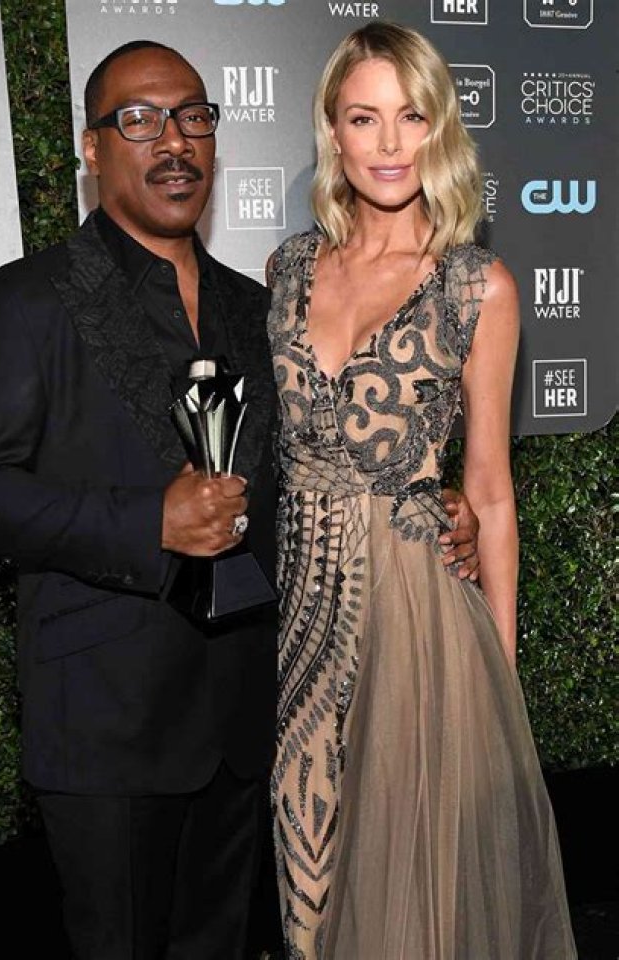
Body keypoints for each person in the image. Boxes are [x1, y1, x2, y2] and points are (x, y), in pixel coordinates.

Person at [0, 37, 480, 960]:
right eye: (139, 120)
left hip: (244, 719)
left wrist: (432, 503)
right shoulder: (23, 302)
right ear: (93, 147)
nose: (173, 141)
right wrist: (148, 522)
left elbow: (317, 461)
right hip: (106, 727)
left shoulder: (261, 304)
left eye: (192, 117)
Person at [267, 21, 576, 960]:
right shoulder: (287, 270)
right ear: (333, 130)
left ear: (440, 127)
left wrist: (500, 688)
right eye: (365, 118)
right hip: (303, 616)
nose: (390, 143)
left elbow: (489, 493)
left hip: (419, 619)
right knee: (311, 875)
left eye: (412, 116)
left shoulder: (476, 286)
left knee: (414, 892)